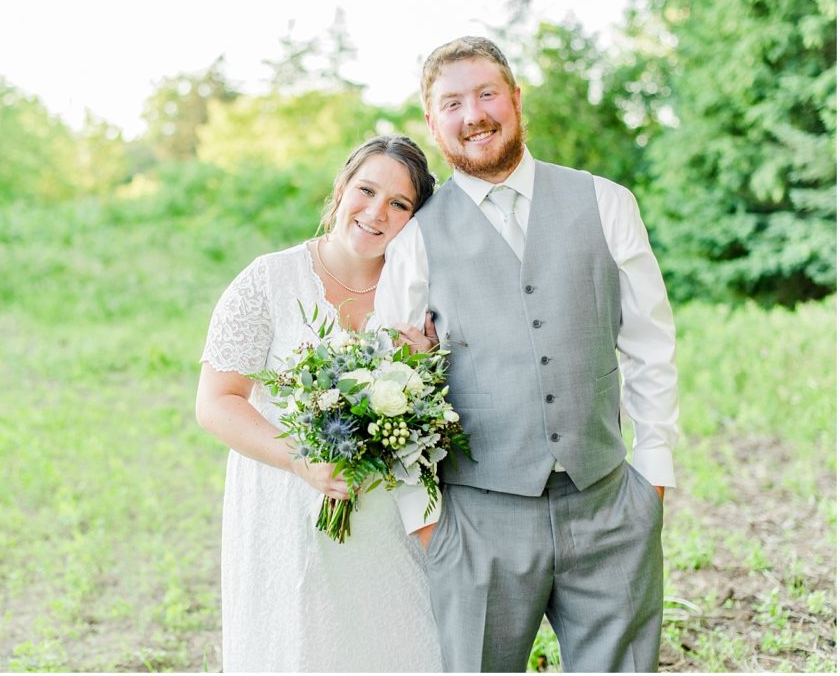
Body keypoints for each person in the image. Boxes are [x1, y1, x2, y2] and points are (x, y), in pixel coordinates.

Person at [371, 36, 680, 672]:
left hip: (607, 504)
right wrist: (425, 519)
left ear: (515, 100)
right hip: (477, 519)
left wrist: (652, 474)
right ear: (433, 123)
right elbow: (389, 386)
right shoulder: (417, 238)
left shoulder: (606, 202)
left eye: (486, 94)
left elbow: (649, 340)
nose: (473, 114)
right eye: (451, 103)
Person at [195, 135, 443, 672]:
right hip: (284, 507)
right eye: (367, 190)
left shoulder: (421, 294)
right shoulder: (267, 280)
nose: (377, 212)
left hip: (387, 522)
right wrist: (299, 458)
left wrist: (426, 366)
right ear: (341, 189)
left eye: (399, 204)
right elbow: (217, 401)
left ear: (414, 218)